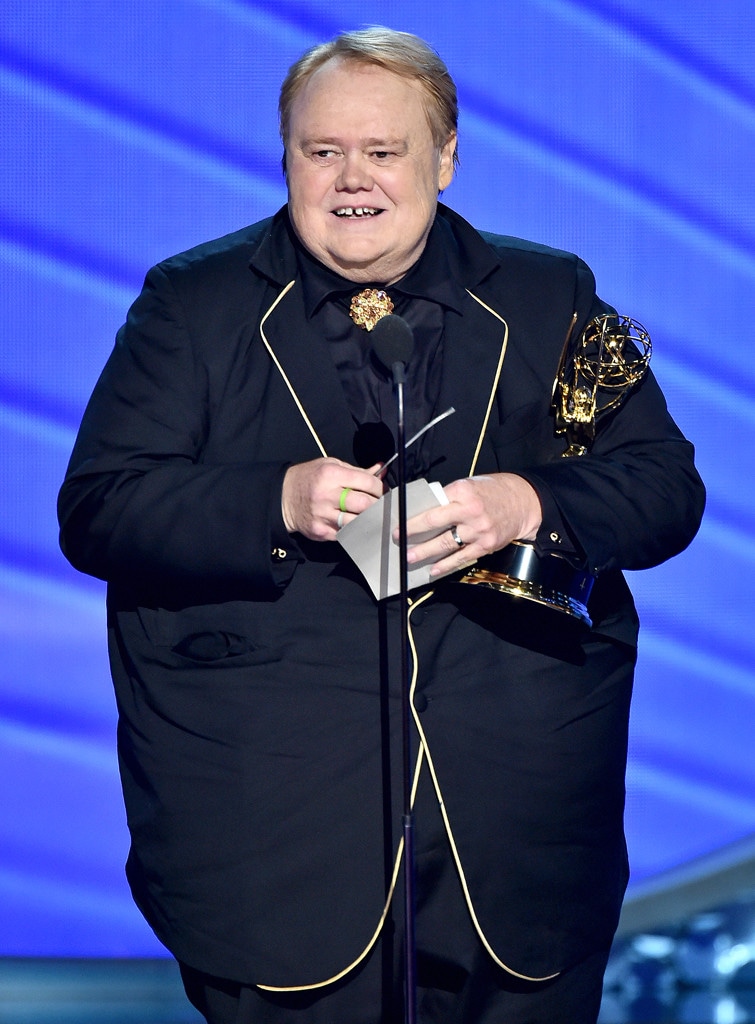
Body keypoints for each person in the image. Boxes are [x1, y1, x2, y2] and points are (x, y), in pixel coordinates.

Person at [57, 26, 705, 1024]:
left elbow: (662, 488)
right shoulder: (190, 307)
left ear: (445, 158)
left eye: (382, 150)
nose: (350, 178)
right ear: (286, 159)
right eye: (321, 152)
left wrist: (528, 502)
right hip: (279, 835)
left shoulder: (551, 295)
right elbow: (98, 508)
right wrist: (279, 499)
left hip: (517, 828)